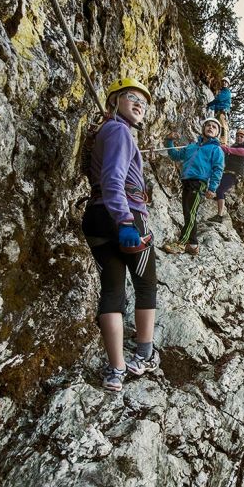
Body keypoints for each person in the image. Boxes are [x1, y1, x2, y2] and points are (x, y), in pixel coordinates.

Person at [81, 77, 160, 392]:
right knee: (145, 286)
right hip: (125, 215)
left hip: (96, 219)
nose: (139, 103)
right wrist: (126, 222)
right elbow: (114, 178)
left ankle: (115, 371)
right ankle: (144, 354)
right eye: (131, 97)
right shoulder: (120, 132)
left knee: (112, 292)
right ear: (114, 101)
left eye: (144, 100)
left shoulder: (104, 132)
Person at [163, 117, 225, 255]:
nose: (210, 127)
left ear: (217, 133)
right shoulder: (192, 146)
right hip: (186, 181)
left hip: (199, 183)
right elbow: (175, 155)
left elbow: (218, 169)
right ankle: (193, 244)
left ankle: (182, 244)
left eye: (214, 127)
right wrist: (169, 141)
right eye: (208, 125)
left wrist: (212, 188)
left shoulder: (216, 149)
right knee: (188, 213)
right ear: (203, 129)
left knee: (190, 213)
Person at [210, 128, 244, 223]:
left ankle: (219, 215)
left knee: (220, 190)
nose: (239, 138)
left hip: (234, 175)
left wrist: (219, 145)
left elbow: (227, 149)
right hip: (227, 173)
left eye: (241, 137)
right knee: (218, 188)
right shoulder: (235, 147)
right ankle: (219, 198)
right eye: (237, 136)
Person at [206, 77, 232, 144]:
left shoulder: (227, 92)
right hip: (218, 112)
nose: (224, 83)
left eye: (226, 82)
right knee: (217, 127)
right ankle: (216, 141)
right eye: (223, 82)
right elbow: (218, 103)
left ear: (228, 84)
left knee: (222, 127)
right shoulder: (222, 91)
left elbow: (219, 99)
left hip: (223, 112)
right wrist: (211, 107)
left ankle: (223, 143)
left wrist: (209, 104)